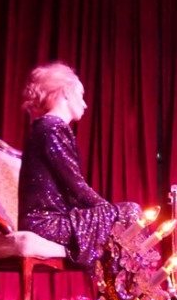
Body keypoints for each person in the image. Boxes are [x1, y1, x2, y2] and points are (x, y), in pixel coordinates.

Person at [18, 61, 140, 272]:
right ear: (66, 92)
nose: (85, 104)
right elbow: (76, 187)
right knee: (130, 212)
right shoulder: (53, 128)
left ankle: (123, 283)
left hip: (47, 220)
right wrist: (110, 211)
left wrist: (107, 212)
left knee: (122, 217)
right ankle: (129, 285)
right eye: (81, 95)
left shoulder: (46, 128)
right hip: (46, 223)